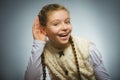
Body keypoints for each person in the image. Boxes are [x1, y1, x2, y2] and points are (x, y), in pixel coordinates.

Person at [24, 3, 111, 80]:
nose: (65, 27)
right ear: (44, 29)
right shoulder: (42, 51)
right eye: (56, 24)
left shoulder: (87, 48)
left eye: (67, 22)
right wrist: (38, 42)